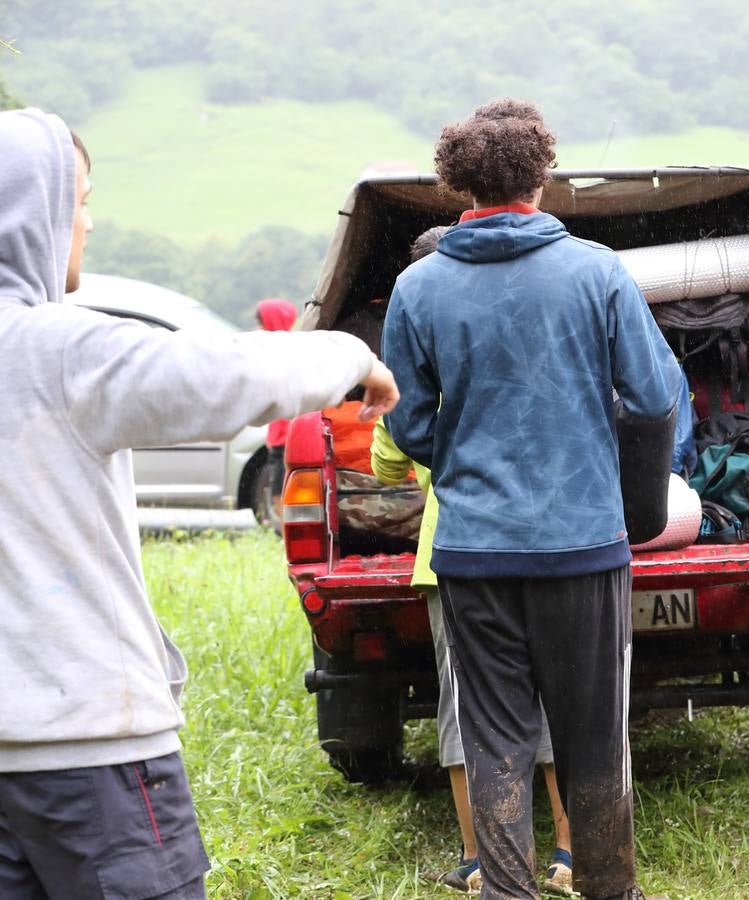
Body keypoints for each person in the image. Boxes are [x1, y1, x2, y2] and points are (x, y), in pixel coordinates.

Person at [0, 108, 399, 899]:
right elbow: (217, 376)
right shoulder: (54, 349)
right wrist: (353, 353)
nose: (86, 222)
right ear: (29, 214)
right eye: (77, 200)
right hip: (88, 754)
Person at [381, 99, 681, 900]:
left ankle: (505, 890)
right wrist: (630, 499)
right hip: (583, 548)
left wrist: (468, 458)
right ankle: (608, 888)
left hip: (475, 554)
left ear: (457, 186)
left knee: (497, 740)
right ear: (542, 176)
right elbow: (654, 398)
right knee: (594, 740)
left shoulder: (418, 288)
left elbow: (406, 424)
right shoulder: (595, 271)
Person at [371, 226, 574, 895]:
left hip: (453, 550)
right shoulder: (511, 333)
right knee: (551, 695)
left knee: (465, 708)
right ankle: (570, 851)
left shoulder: (419, 353)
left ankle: (481, 857)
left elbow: (386, 457)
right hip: (544, 542)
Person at [256, 297, 299, 520]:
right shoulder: (293, 349)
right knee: (283, 488)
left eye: (262, 322)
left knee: (281, 490)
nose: (258, 328)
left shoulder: (277, 353)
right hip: (282, 435)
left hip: (285, 436)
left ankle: (287, 533)